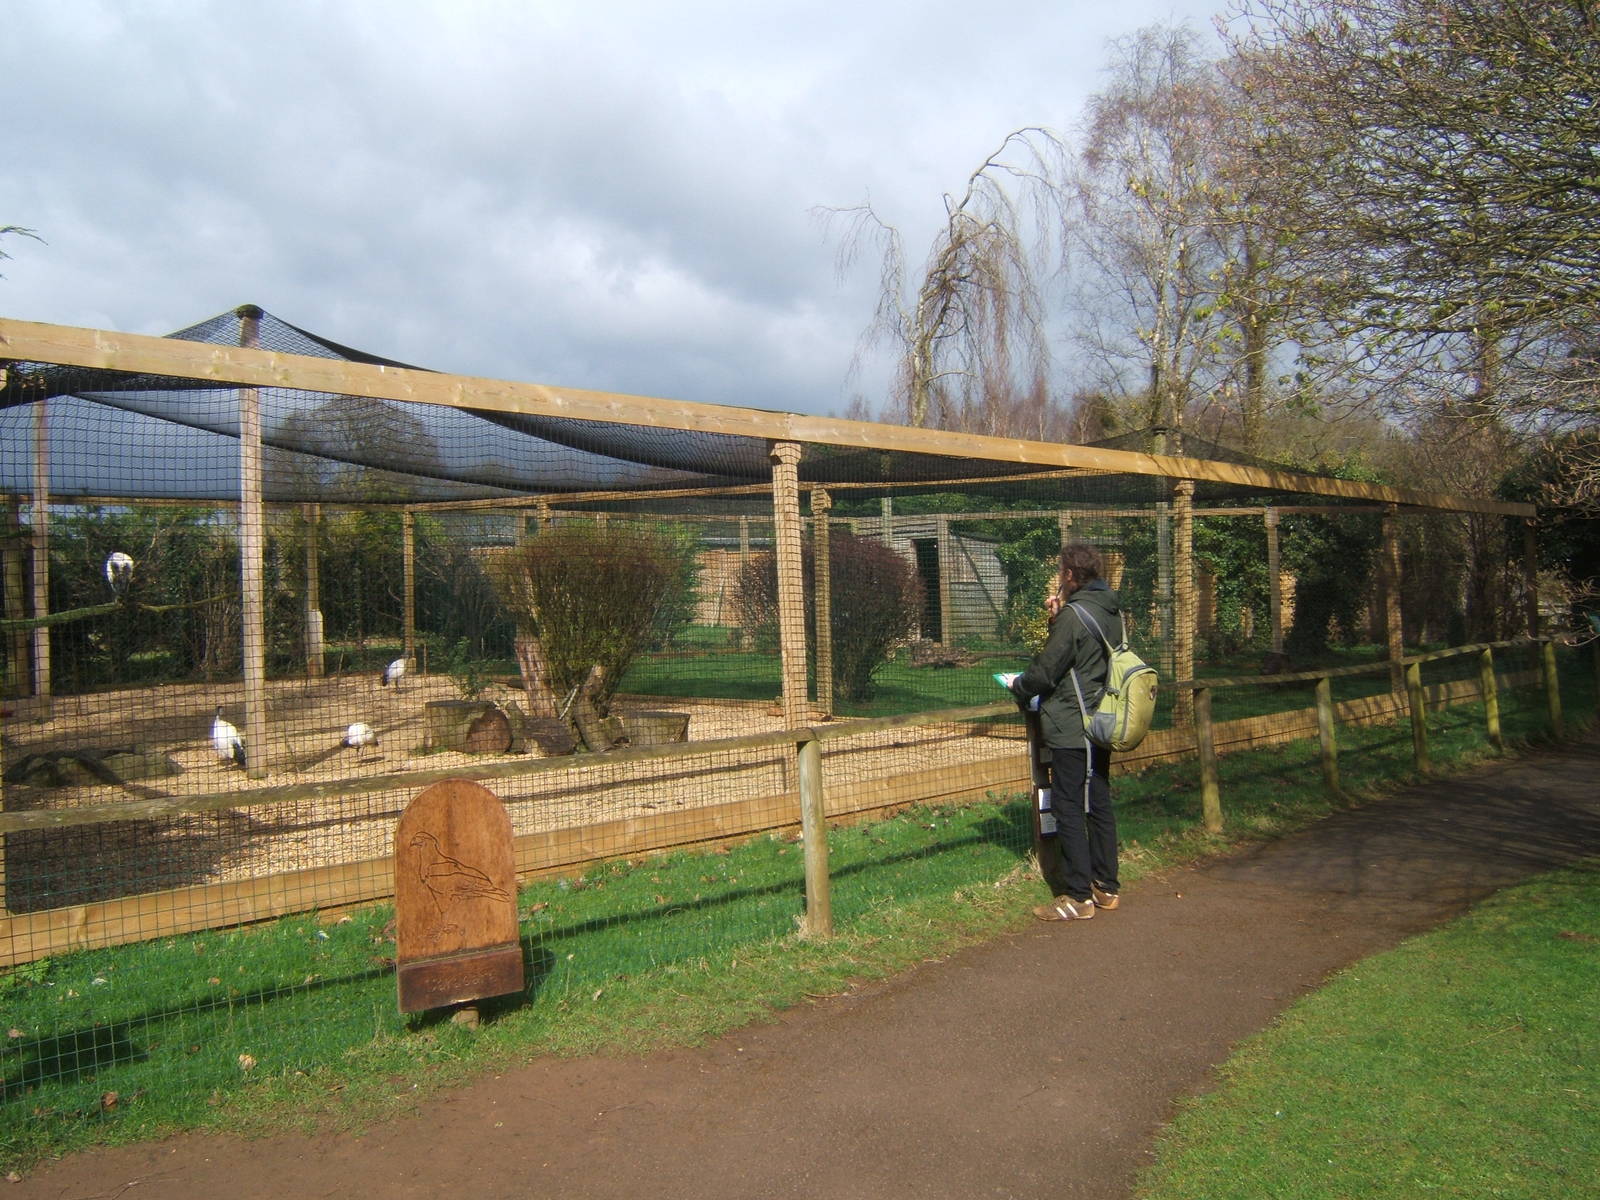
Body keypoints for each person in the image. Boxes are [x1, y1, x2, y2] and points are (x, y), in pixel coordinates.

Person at [1009, 543, 1123, 922]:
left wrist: (1019, 687)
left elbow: (1046, 671)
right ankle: (1105, 887)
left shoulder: (1076, 615)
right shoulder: (1111, 609)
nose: (1059, 578)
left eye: (1061, 573)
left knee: (1069, 805)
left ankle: (1077, 896)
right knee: (1099, 800)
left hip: (1073, 724)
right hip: (1102, 719)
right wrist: (1058, 618)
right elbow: (1085, 658)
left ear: (1070, 576)